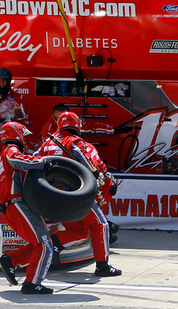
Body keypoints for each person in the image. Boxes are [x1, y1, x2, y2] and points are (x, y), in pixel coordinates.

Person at [37, 112, 121, 277]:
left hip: (51, 197)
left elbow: (33, 160)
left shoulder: (46, 144)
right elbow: (91, 164)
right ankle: (102, 266)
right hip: (76, 196)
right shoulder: (76, 142)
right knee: (100, 225)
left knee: (80, 232)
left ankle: (53, 244)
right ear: (77, 126)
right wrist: (99, 176)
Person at [0, 122, 55, 295]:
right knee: (44, 245)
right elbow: (17, 159)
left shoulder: (3, 153)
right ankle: (32, 283)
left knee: (41, 243)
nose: (26, 140)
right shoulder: (11, 149)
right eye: (24, 135)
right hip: (17, 204)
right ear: (16, 134)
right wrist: (41, 162)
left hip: (12, 206)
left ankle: (10, 260)